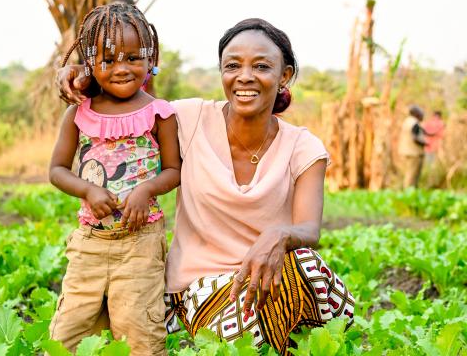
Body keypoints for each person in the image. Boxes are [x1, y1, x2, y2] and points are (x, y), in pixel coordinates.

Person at [57, 18, 354, 355]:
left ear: (284, 75)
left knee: (305, 267)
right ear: (222, 73)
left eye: (261, 66)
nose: (244, 76)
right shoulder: (189, 118)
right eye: (232, 65)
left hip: (264, 279)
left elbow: (309, 228)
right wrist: (80, 72)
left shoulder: (303, 146)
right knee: (246, 335)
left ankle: (285, 337)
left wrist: (280, 235)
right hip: (199, 289)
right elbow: (127, 99)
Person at [49, 3, 180, 355]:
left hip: (140, 242)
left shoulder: (159, 113)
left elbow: (173, 170)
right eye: (108, 61)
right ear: (90, 63)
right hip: (90, 241)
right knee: (67, 332)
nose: (122, 69)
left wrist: (147, 189)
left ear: (150, 57)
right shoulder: (78, 113)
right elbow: (57, 170)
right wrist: (88, 190)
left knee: (140, 332)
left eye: (134, 58)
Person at [398, 105, 427, 188]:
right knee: (412, 174)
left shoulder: (407, 121)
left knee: (409, 173)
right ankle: (409, 191)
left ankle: (409, 191)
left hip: (407, 151)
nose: (422, 115)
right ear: (416, 114)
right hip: (414, 152)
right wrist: (424, 143)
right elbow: (415, 138)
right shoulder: (414, 123)